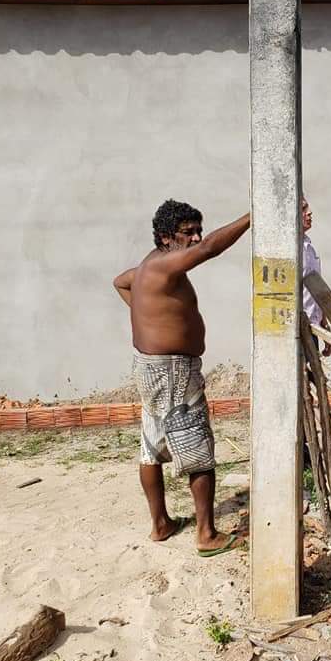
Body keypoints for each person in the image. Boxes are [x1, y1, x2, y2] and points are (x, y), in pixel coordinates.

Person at [113, 199, 251, 556]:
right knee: (197, 447)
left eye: (197, 230)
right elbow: (210, 249)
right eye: (187, 232)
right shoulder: (164, 265)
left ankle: (161, 524)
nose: (196, 238)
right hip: (173, 369)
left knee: (152, 443)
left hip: (150, 366)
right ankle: (206, 534)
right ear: (165, 238)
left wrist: (150, 315)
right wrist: (253, 215)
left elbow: (120, 282)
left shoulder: (148, 268)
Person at [301, 198, 331, 357]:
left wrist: (324, 323)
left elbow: (316, 290)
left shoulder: (308, 248)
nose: (310, 212)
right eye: (303, 209)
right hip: (299, 331)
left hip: (313, 327)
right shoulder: (290, 252)